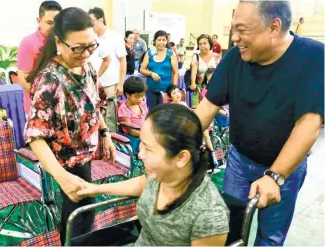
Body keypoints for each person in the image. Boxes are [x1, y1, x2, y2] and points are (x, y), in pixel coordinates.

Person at [194, 1, 324, 245]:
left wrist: (275, 177)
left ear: (274, 27)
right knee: (228, 225)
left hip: (284, 169)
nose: (234, 38)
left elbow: (309, 123)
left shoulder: (314, 57)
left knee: (270, 237)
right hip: (239, 161)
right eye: (233, 29)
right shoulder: (235, 58)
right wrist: (172, 142)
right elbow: (207, 107)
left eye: (242, 30)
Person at [24, 7, 116, 244]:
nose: (86, 53)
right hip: (65, 164)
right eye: (78, 47)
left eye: (91, 46)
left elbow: (94, 105)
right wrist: (62, 176)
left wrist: (105, 133)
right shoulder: (49, 80)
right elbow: (36, 136)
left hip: (86, 155)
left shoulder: (87, 68)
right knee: (78, 219)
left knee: (83, 216)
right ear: (59, 42)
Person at [78, 104, 229, 246]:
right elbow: (141, 183)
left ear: (182, 157)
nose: (140, 154)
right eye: (142, 144)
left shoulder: (208, 215)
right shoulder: (164, 175)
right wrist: (95, 189)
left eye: (149, 149)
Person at [17, 1, 62, 116]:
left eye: (57, 23)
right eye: (49, 23)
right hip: (38, 109)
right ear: (39, 20)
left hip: (61, 108)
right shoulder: (28, 43)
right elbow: (23, 79)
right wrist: (44, 101)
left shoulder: (63, 42)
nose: (54, 27)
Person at [88, 7, 127, 132]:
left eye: (91, 21)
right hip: (92, 84)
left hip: (110, 84)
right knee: (94, 117)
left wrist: (120, 83)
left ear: (101, 20)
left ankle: (113, 146)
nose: (89, 24)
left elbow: (122, 61)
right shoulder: (90, 37)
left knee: (109, 118)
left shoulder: (115, 37)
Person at [189, 34, 221, 107]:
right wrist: (193, 83)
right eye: (200, 44)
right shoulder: (196, 56)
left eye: (205, 43)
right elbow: (194, 71)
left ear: (210, 44)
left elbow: (221, 73)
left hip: (214, 89)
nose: (202, 46)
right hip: (198, 89)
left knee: (212, 109)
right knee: (198, 109)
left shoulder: (216, 56)